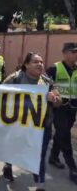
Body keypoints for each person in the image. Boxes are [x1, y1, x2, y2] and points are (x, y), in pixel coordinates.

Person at [1, 52, 62, 191]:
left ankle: (40, 184)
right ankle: (8, 166)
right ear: (26, 64)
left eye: (41, 62)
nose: (40, 64)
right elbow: (1, 95)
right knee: (14, 148)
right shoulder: (15, 79)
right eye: (35, 62)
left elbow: (59, 102)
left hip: (42, 126)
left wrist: (55, 99)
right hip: (19, 124)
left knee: (40, 154)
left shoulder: (47, 82)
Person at [46, 42, 77, 184]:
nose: (76, 54)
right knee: (64, 134)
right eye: (73, 52)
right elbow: (45, 86)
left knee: (61, 133)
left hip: (73, 107)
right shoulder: (54, 68)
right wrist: (52, 94)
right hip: (59, 107)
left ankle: (53, 157)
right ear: (64, 53)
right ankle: (73, 167)